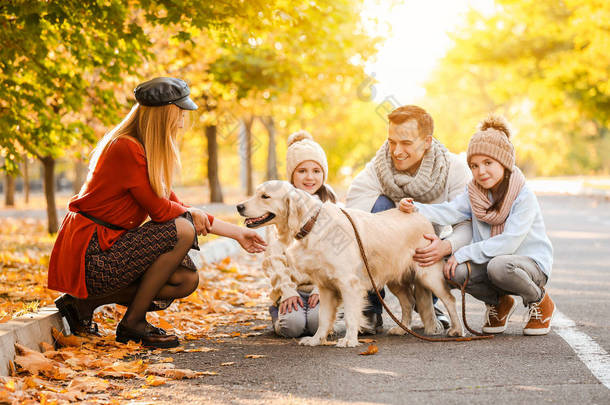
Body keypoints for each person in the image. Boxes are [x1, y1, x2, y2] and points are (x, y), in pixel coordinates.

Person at [48, 77, 266, 348]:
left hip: (109, 246)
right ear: (163, 114)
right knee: (182, 228)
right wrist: (192, 213)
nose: (183, 121)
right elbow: (163, 211)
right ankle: (132, 324)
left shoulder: (145, 152)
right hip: (91, 252)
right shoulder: (126, 148)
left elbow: (174, 204)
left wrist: (238, 234)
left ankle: (85, 303)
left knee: (185, 279)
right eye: (179, 113)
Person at [399, 115, 555, 336]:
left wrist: (463, 253)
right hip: (494, 262)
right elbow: (450, 210)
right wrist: (415, 207)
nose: (480, 171)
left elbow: (509, 242)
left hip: (529, 265)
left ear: (504, 162)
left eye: (488, 163)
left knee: (498, 266)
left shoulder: (523, 195)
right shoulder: (474, 193)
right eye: (474, 165)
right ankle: (499, 303)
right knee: (453, 271)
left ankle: (540, 301)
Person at [346, 105, 472, 333]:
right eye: (392, 141)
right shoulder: (378, 168)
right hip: (390, 245)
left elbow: (467, 225)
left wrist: (445, 246)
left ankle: (431, 308)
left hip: (434, 242)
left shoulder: (454, 169)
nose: (396, 151)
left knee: (454, 248)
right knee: (377, 207)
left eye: (406, 143)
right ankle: (370, 307)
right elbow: (353, 221)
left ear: (427, 142)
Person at [264, 131, 337, 338]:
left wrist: (322, 289)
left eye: (316, 170)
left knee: (317, 325)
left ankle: (325, 312)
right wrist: (286, 290)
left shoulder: (332, 209)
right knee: (292, 327)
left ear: (324, 174)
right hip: (292, 288)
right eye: (302, 171)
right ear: (291, 176)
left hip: (320, 288)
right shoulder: (279, 209)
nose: (310, 177)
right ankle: (279, 312)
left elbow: (337, 257)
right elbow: (274, 256)